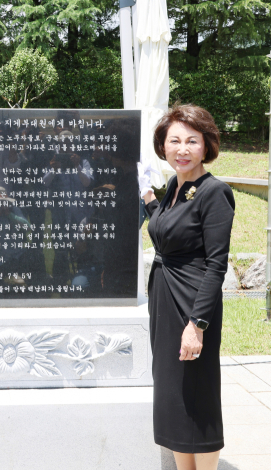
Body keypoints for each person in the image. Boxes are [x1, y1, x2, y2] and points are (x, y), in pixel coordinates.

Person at [139, 104, 235, 470]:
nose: (182, 148)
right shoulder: (176, 190)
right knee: (172, 394)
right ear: (162, 147)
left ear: (206, 145)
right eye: (174, 140)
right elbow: (169, 230)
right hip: (164, 302)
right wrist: (149, 198)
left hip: (193, 305)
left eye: (191, 141)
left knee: (197, 393)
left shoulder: (214, 192)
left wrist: (197, 325)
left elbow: (216, 265)